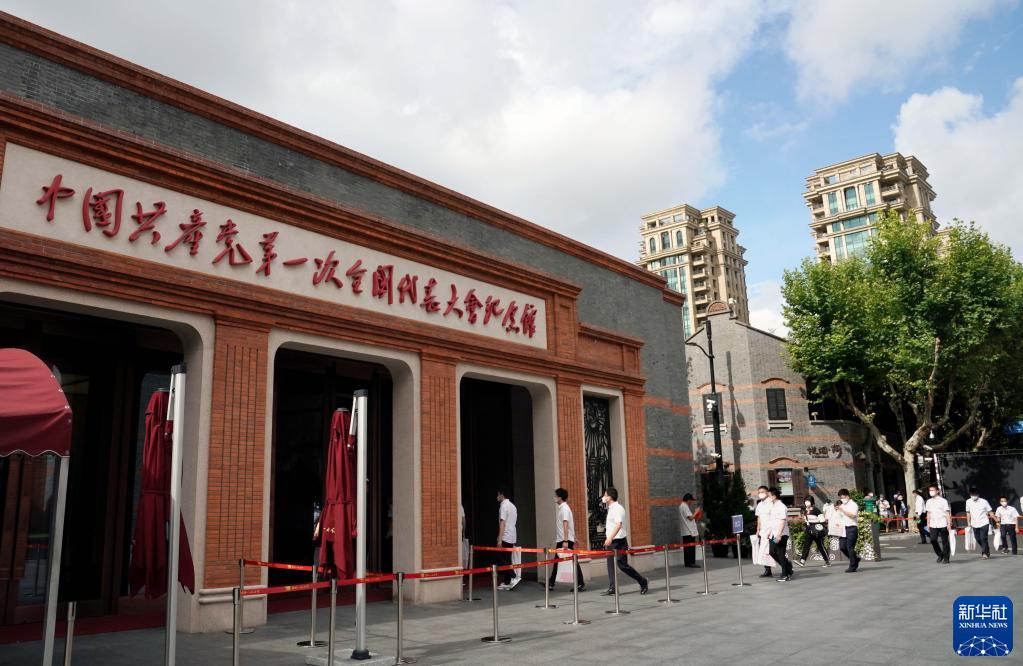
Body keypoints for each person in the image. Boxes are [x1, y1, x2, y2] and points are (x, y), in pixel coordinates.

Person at [600, 487, 648, 596]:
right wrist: (609, 539)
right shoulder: (611, 508)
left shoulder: (618, 508)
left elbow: (618, 525)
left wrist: (610, 538)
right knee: (610, 565)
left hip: (619, 541)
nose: (603, 497)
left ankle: (642, 581)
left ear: (610, 497)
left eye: (605, 495)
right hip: (611, 541)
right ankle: (613, 587)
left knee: (623, 565)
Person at [549, 488, 584, 590]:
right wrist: (574, 537)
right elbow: (570, 525)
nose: (554, 497)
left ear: (560, 497)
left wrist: (565, 540)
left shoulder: (564, 508)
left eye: (555, 495)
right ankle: (551, 583)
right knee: (559, 560)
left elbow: (566, 524)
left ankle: (580, 583)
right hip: (565, 539)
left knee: (571, 561)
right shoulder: (564, 508)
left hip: (564, 540)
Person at [495, 489, 519, 589]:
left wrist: (500, 539)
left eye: (498, 494)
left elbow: (502, 523)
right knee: (507, 559)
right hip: (512, 536)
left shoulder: (504, 506)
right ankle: (507, 581)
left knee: (499, 558)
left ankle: (514, 576)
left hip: (505, 536)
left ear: (502, 495)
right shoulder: (513, 506)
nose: (497, 497)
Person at [767, 488, 793, 581]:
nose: (768, 497)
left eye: (769, 496)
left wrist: (779, 535)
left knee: (780, 554)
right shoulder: (773, 506)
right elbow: (773, 521)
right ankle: (787, 566)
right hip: (774, 534)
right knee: (772, 551)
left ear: (774, 496)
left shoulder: (781, 506)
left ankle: (785, 575)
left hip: (781, 534)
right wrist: (770, 532)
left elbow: (782, 521)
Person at [797, 496, 830, 567]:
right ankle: (802, 561)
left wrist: (818, 525)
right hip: (808, 529)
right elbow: (805, 520)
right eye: (805, 501)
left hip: (816, 530)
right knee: (806, 545)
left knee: (820, 546)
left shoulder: (816, 510)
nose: (806, 502)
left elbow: (822, 520)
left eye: (808, 501)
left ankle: (827, 561)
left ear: (812, 502)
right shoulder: (805, 510)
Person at [924, 484, 952, 564]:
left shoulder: (943, 501)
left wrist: (949, 523)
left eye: (932, 490)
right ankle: (940, 554)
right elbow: (928, 513)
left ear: (937, 491)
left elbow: (947, 512)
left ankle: (946, 557)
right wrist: (928, 524)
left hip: (943, 522)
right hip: (933, 523)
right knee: (933, 540)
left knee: (945, 541)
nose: (931, 492)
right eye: (930, 490)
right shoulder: (928, 501)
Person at [835, 488, 860, 573]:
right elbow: (839, 516)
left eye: (843, 497)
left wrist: (843, 510)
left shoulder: (853, 504)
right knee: (842, 547)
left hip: (851, 528)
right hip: (843, 528)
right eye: (840, 498)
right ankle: (855, 559)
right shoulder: (842, 505)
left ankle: (852, 566)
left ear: (847, 496)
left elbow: (853, 515)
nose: (842, 499)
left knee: (850, 547)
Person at [964, 488, 993, 559]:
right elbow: (968, 512)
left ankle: (985, 553)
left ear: (978, 494)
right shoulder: (968, 501)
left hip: (984, 522)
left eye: (975, 494)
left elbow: (990, 511)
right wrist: (968, 522)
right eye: (972, 494)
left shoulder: (984, 501)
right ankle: (986, 549)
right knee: (977, 538)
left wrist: (996, 519)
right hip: (974, 523)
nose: (973, 496)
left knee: (983, 538)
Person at [754, 485, 774, 578]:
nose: (760, 494)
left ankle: (787, 566)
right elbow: (759, 518)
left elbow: (774, 517)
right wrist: (758, 529)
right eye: (759, 492)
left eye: (762, 492)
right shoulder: (759, 504)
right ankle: (767, 570)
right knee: (764, 551)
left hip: (771, 530)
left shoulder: (771, 502)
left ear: (767, 492)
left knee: (773, 551)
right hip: (763, 531)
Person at [678, 493, 700, 568]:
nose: (692, 502)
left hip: (686, 531)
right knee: (690, 547)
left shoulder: (682, 506)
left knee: (687, 547)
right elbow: (690, 517)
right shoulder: (684, 506)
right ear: (688, 500)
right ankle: (691, 563)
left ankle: (688, 562)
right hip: (689, 530)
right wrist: (696, 512)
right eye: (691, 500)